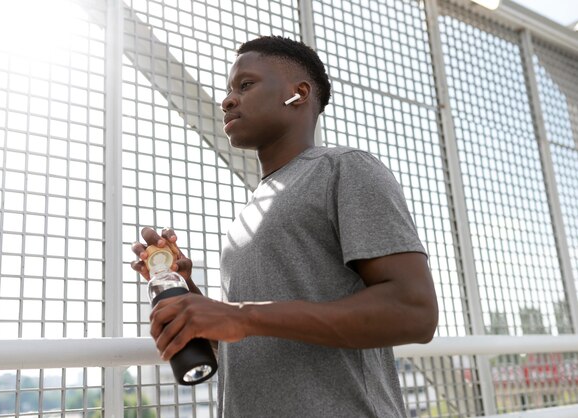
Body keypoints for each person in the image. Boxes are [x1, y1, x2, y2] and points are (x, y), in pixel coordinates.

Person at [131, 36, 438, 418]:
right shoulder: (251, 210)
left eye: (245, 85)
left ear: (298, 93)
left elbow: (415, 311)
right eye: (228, 89)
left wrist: (240, 315)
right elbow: (249, 341)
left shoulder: (345, 168)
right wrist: (191, 295)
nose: (227, 100)